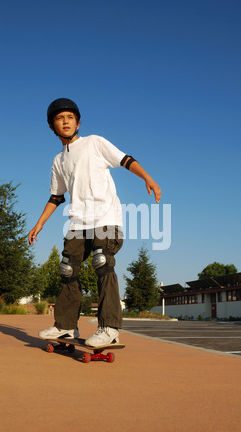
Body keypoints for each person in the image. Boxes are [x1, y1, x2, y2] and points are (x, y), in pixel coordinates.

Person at [28, 98, 161, 347]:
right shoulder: (58, 161)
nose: (65, 121)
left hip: (106, 218)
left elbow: (125, 159)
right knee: (67, 270)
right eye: (60, 118)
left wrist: (148, 178)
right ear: (52, 126)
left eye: (70, 117)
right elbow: (57, 196)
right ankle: (66, 327)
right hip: (77, 222)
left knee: (102, 262)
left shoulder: (94, 143)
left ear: (78, 123)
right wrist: (40, 223)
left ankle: (109, 327)